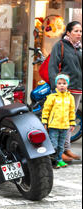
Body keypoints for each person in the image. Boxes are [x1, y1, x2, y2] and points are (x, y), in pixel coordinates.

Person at [48, 21, 82, 162]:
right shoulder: (60, 46)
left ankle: (66, 149)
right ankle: (57, 151)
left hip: (77, 89)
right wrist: (55, 87)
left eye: (80, 31)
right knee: (59, 122)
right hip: (64, 90)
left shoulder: (79, 49)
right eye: (76, 31)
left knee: (69, 121)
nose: (79, 34)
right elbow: (53, 67)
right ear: (68, 33)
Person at [42, 74, 76, 169]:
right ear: (56, 84)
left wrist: (72, 122)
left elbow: (71, 111)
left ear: (67, 85)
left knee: (61, 146)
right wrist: (45, 122)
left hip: (64, 127)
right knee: (54, 145)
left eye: (64, 83)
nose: (61, 85)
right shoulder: (52, 97)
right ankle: (53, 161)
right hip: (54, 126)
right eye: (59, 83)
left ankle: (59, 159)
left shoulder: (70, 98)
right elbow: (46, 110)